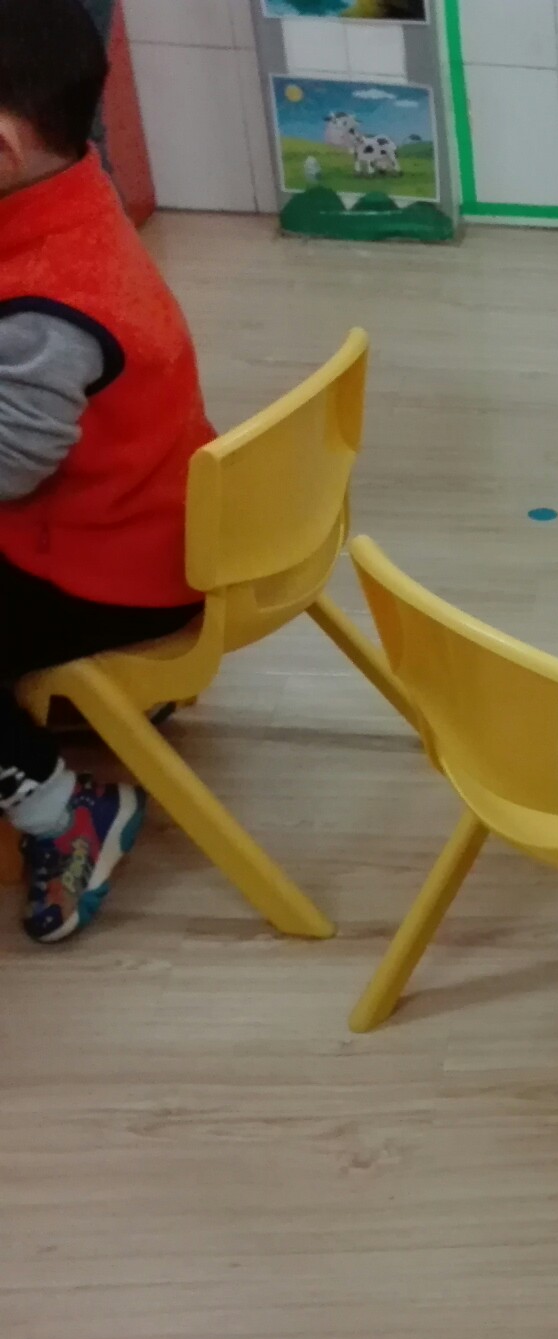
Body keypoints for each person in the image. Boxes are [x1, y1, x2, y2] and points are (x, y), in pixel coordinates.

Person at [0, 0, 214, 943]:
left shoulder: (48, 308)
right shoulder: (73, 193)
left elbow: (11, 467)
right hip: (146, 519)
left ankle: (64, 811)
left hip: (113, 571)